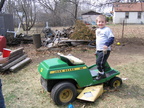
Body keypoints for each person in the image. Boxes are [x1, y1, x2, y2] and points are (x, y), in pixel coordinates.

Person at [95, 15, 114, 80]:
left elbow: (111, 38)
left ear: (105, 22)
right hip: (99, 50)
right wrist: (96, 50)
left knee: (99, 62)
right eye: (99, 22)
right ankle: (103, 71)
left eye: (102, 22)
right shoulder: (97, 30)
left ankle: (102, 74)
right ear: (97, 22)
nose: (100, 23)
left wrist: (106, 44)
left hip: (105, 50)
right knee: (100, 62)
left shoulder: (107, 29)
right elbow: (98, 40)